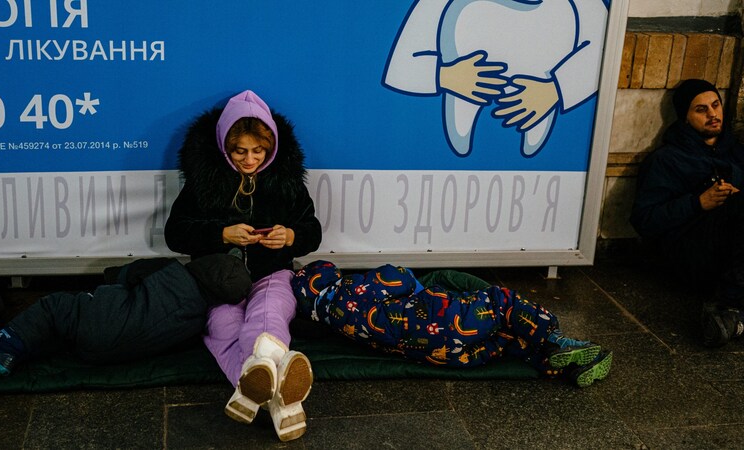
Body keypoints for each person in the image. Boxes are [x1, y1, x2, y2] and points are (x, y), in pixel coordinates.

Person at [164, 90, 322, 441]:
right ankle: (284, 405)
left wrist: (290, 236)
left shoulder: (287, 184)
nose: (250, 160)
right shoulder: (203, 184)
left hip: (273, 274)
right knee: (222, 326)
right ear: (225, 147)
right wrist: (222, 234)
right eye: (240, 152)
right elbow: (175, 234)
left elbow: (313, 231)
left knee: (268, 315)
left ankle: (253, 385)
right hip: (218, 280)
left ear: (271, 148)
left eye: (258, 151)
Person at [291, 260, 613, 387]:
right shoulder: (348, 290)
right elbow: (396, 277)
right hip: (446, 322)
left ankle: (566, 366)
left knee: (503, 340)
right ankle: (556, 339)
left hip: (448, 356)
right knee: (503, 305)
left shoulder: (335, 323)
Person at [0, 254, 251, 374]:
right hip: (106, 354)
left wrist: (108, 280)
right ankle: (24, 341)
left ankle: (5, 347)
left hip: (101, 319)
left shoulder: (171, 269)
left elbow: (126, 275)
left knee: (54, 308)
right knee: (65, 330)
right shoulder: (199, 319)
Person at [630, 78, 744, 347]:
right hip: (691, 253)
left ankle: (733, 319)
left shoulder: (736, 152)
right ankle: (730, 307)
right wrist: (697, 203)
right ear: (685, 117)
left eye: (715, 105)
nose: (713, 114)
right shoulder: (667, 159)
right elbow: (644, 220)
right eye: (701, 110)